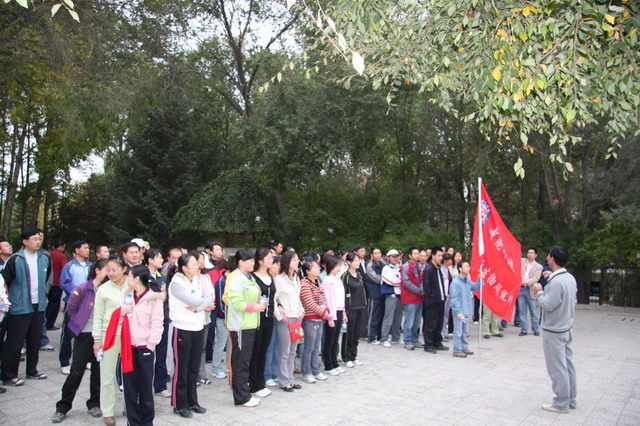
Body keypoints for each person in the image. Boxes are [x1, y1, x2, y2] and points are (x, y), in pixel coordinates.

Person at [51, 259, 109, 423]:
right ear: (97, 270)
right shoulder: (83, 288)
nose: (110, 273)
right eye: (107, 269)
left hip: (102, 336)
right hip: (84, 334)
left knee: (98, 371)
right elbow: (71, 308)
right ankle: (62, 407)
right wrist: (78, 323)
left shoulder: (108, 289)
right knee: (76, 371)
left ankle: (94, 404)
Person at [1, 228, 51, 386]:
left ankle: (32, 371)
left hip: (38, 305)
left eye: (39, 239)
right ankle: (9, 375)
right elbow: (4, 282)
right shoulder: (15, 259)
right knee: (15, 342)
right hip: (20, 307)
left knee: (34, 340)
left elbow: (46, 278)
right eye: (34, 239)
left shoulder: (44, 258)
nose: (38, 242)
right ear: (24, 241)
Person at [167, 253, 214, 418]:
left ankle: (192, 401)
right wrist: (201, 303)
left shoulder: (198, 279)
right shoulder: (176, 283)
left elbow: (210, 297)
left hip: (198, 326)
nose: (197, 266)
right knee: (182, 369)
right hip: (182, 328)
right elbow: (194, 301)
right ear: (184, 268)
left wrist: (199, 307)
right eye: (193, 264)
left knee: (193, 369)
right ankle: (179, 404)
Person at [533, 246, 577, 414]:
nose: (547, 257)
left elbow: (548, 304)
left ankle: (561, 403)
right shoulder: (569, 278)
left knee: (557, 367)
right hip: (566, 327)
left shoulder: (557, 282)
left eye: (548, 255)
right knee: (567, 364)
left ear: (552, 258)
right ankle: (570, 399)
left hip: (554, 330)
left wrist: (539, 292)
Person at [122, 265, 165, 426]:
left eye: (129, 276)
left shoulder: (154, 297)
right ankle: (132, 422)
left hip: (145, 347)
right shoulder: (127, 295)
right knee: (130, 388)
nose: (127, 279)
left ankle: (147, 422)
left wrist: (150, 344)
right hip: (128, 347)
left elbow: (157, 322)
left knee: (146, 388)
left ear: (137, 279)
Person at [92, 255, 129, 425]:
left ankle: (129, 406)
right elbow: (98, 316)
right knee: (107, 376)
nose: (111, 273)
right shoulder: (103, 289)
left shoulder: (132, 284)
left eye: (115, 270)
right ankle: (107, 411)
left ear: (124, 269)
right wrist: (97, 339)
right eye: (108, 270)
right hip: (109, 335)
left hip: (129, 335)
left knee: (130, 374)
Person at [226, 249, 266, 407]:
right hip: (240, 326)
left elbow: (253, 296)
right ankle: (241, 397)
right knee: (240, 363)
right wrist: (255, 307)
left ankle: (244, 393)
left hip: (250, 325)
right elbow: (236, 303)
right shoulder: (236, 278)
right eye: (250, 260)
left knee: (245, 361)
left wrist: (260, 301)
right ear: (241, 262)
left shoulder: (249, 277)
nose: (253, 263)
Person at [59, 240, 93, 375]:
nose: (88, 250)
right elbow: (65, 284)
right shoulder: (69, 266)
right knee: (68, 334)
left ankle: (87, 359)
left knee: (88, 333)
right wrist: (79, 293)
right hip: (74, 304)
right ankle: (65, 362)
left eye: (88, 248)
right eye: (85, 248)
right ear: (77, 250)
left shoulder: (91, 266)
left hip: (89, 305)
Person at [273, 251, 304, 392]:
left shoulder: (296, 278)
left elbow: (298, 297)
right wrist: (280, 313)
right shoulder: (279, 279)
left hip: (297, 317)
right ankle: (284, 381)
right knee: (285, 351)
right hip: (286, 319)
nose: (297, 262)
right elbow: (274, 299)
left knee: (292, 351)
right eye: (294, 260)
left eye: (297, 259)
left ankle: (291, 379)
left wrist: (301, 311)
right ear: (287, 262)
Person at [249, 248, 276, 398]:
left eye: (272, 257)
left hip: (269, 318)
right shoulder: (252, 277)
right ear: (260, 261)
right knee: (255, 352)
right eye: (269, 258)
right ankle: (254, 385)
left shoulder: (271, 276)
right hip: (256, 318)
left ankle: (261, 382)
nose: (272, 260)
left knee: (263, 352)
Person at [144, 249, 171, 398]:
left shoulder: (162, 277)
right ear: (150, 260)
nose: (161, 261)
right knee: (146, 354)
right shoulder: (142, 276)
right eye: (159, 258)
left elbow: (165, 297)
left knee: (161, 353)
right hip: (146, 321)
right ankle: (145, 385)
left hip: (162, 319)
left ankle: (160, 385)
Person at [299, 259, 329, 384]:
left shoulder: (317, 281)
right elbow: (308, 302)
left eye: (317, 267)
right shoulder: (304, 283)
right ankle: (307, 372)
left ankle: (315, 370)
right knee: (309, 347)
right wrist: (322, 312)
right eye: (315, 267)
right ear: (307, 271)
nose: (318, 269)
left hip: (320, 318)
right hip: (310, 319)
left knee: (316, 347)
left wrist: (326, 310)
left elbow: (323, 298)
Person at [449, 261, 483, 358]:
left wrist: (480, 279)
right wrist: (458, 312)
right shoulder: (455, 283)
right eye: (466, 266)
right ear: (460, 269)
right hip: (459, 311)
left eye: (468, 266)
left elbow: (476, 287)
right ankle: (457, 349)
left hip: (466, 310)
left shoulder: (467, 281)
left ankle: (464, 347)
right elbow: (454, 299)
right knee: (458, 331)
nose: (468, 268)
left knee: (464, 331)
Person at [340, 253, 367, 367]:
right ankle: (346, 357)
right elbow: (343, 294)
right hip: (350, 308)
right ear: (349, 263)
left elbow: (363, 290)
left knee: (357, 334)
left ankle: (353, 356)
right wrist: (344, 310)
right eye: (355, 260)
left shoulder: (359, 275)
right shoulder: (345, 276)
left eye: (358, 260)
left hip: (360, 307)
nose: (357, 262)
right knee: (349, 334)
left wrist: (364, 304)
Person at [193, 251, 215, 387]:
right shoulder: (189, 278)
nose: (202, 262)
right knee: (193, 348)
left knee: (202, 347)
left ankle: (201, 374)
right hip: (194, 317)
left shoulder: (206, 276)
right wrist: (204, 306)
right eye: (201, 259)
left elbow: (211, 293)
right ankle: (193, 375)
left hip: (206, 317)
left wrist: (210, 304)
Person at [321, 255, 344, 376]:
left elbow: (341, 297)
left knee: (335, 340)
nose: (338, 268)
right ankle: (328, 365)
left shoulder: (338, 279)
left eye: (339, 265)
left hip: (339, 311)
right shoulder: (327, 280)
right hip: (332, 313)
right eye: (336, 266)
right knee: (329, 340)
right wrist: (330, 316)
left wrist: (343, 312)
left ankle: (335, 363)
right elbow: (327, 299)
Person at [422, 247, 449, 354]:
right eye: (438, 255)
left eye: (441, 256)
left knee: (439, 323)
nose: (441, 258)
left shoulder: (439, 268)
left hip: (441, 299)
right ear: (433, 256)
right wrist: (430, 300)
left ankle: (437, 342)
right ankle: (428, 344)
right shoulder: (428, 269)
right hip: (432, 301)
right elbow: (427, 287)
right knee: (430, 324)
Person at [263, 256, 281, 387]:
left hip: (279, 316)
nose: (278, 267)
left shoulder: (278, 279)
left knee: (276, 347)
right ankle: (267, 374)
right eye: (276, 264)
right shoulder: (267, 280)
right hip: (270, 315)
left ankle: (275, 373)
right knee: (269, 347)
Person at [401, 247, 423, 350]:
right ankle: (407, 340)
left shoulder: (418, 266)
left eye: (418, 253)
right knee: (409, 321)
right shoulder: (405, 267)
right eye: (415, 254)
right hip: (410, 297)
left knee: (417, 321)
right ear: (410, 256)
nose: (417, 255)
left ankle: (415, 339)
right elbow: (407, 283)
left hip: (419, 297)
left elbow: (421, 280)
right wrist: (419, 290)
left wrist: (422, 289)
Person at [210, 259, 229, 380]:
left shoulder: (231, 280)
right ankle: (216, 368)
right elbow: (220, 301)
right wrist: (225, 316)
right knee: (221, 343)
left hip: (231, 317)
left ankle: (229, 365)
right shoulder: (222, 281)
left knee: (230, 343)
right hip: (222, 317)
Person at [380, 249, 402, 348]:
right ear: (388, 258)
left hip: (399, 295)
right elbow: (392, 281)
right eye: (393, 257)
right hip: (390, 294)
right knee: (388, 317)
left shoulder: (399, 267)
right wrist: (400, 281)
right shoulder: (386, 268)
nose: (395, 258)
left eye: (396, 256)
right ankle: (384, 338)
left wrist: (400, 280)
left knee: (398, 318)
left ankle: (395, 338)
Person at [519, 247, 543, 336]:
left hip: (531, 289)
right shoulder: (522, 261)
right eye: (528, 253)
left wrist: (526, 282)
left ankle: (535, 329)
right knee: (522, 311)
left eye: (532, 253)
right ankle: (523, 329)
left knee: (533, 311)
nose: (529, 254)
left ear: (536, 255)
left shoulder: (538, 266)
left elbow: (536, 278)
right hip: (521, 289)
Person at [364, 247, 384, 345]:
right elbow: (376, 279)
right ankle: (371, 337)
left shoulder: (382, 264)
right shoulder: (370, 265)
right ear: (371, 255)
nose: (378, 255)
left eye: (379, 253)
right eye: (375, 253)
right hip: (374, 294)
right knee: (373, 316)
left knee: (380, 316)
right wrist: (388, 277)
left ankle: (379, 336)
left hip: (382, 293)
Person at [46, 240, 67, 331]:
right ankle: (50, 323)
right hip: (57, 282)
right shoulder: (61, 256)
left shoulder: (49, 254)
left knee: (49, 303)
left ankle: (45, 321)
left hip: (48, 283)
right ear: (61, 246)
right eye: (64, 247)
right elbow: (65, 268)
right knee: (54, 305)